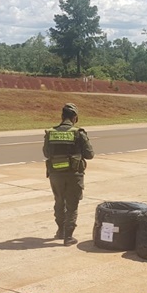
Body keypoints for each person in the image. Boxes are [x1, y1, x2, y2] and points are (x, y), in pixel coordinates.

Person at [43, 103, 94, 246]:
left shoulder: (51, 132)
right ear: (75, 118)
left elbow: (46, 153)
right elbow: (90, 154)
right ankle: (68, 237)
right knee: (72, 205)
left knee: (59, 201)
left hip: (55, 174)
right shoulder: (78, 133)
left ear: (62, 116)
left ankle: (60, 231)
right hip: (74, 174)